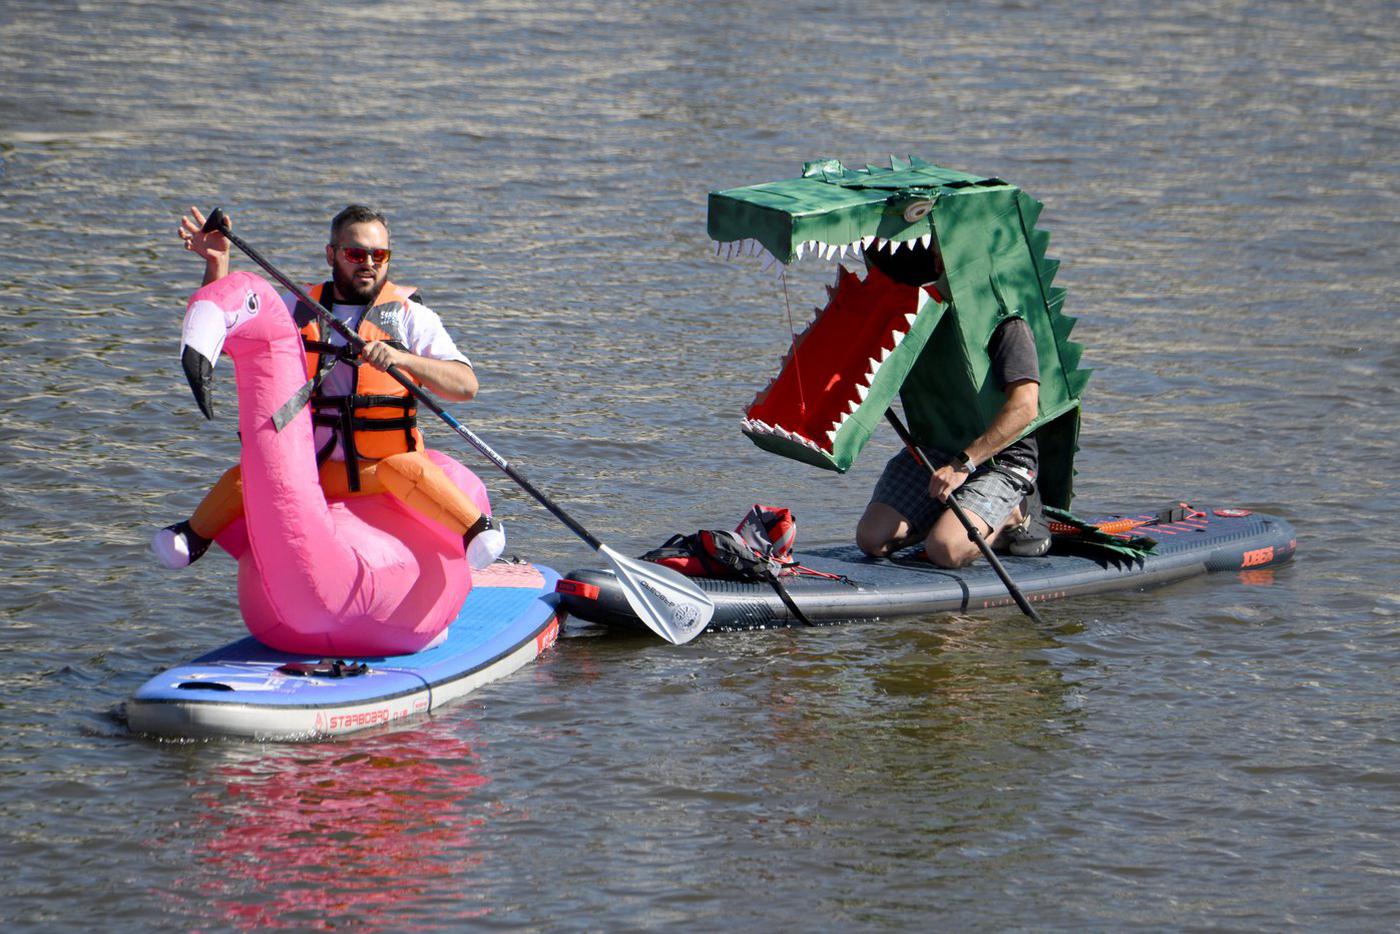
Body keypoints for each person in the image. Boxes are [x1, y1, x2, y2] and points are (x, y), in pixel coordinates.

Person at [153, 204, 505, 570]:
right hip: (313, 469)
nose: (369, 263)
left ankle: (477, 529)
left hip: (384, 470)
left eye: (379, 254)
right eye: (355, 253)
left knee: (408, 471)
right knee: (253, 475)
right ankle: (192, 536)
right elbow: (227, 341)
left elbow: (466, 386)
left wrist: (402, 359)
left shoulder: (409, 317)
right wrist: (216, 264)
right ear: (331, 254)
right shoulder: (297, 306)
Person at [855, 240, 1051, 568]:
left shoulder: (1007, 325)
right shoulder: (915, 314)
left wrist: (963, 465)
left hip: (1002, 460)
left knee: (944, 549)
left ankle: (1016, 513)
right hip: (936, 450)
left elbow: (1025, 408)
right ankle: (954, 515)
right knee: (872, 539)